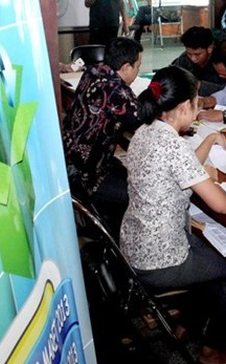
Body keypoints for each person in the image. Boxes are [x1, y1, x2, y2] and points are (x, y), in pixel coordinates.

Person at [120, 65, 226, 364]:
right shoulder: (172, 143)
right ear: (186, 106)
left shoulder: (146, 130)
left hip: (134, 244)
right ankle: (213, 349)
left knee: (208, 253)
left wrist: (209, 141)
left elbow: (184, 167)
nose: (198, 108)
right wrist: (214, 180)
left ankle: (186, 324)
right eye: (197, 102)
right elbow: (222, 205)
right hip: (159, 259)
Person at [62, 37, 143, 237]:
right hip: (87, 176)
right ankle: (118, 243)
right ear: (126, 67)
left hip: (68, 160)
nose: (138, 71)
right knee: (139, 193)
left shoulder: (94, 71)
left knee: (126, 172)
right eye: (137, 66)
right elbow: (141, 121)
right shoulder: (117, 91)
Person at [171, 26, 226, 96]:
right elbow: (172, 76)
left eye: (197, 54)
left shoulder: (224, 60)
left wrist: (199, 86)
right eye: (189, 54)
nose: (193, 59)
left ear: (210, 48)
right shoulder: (185, 58)